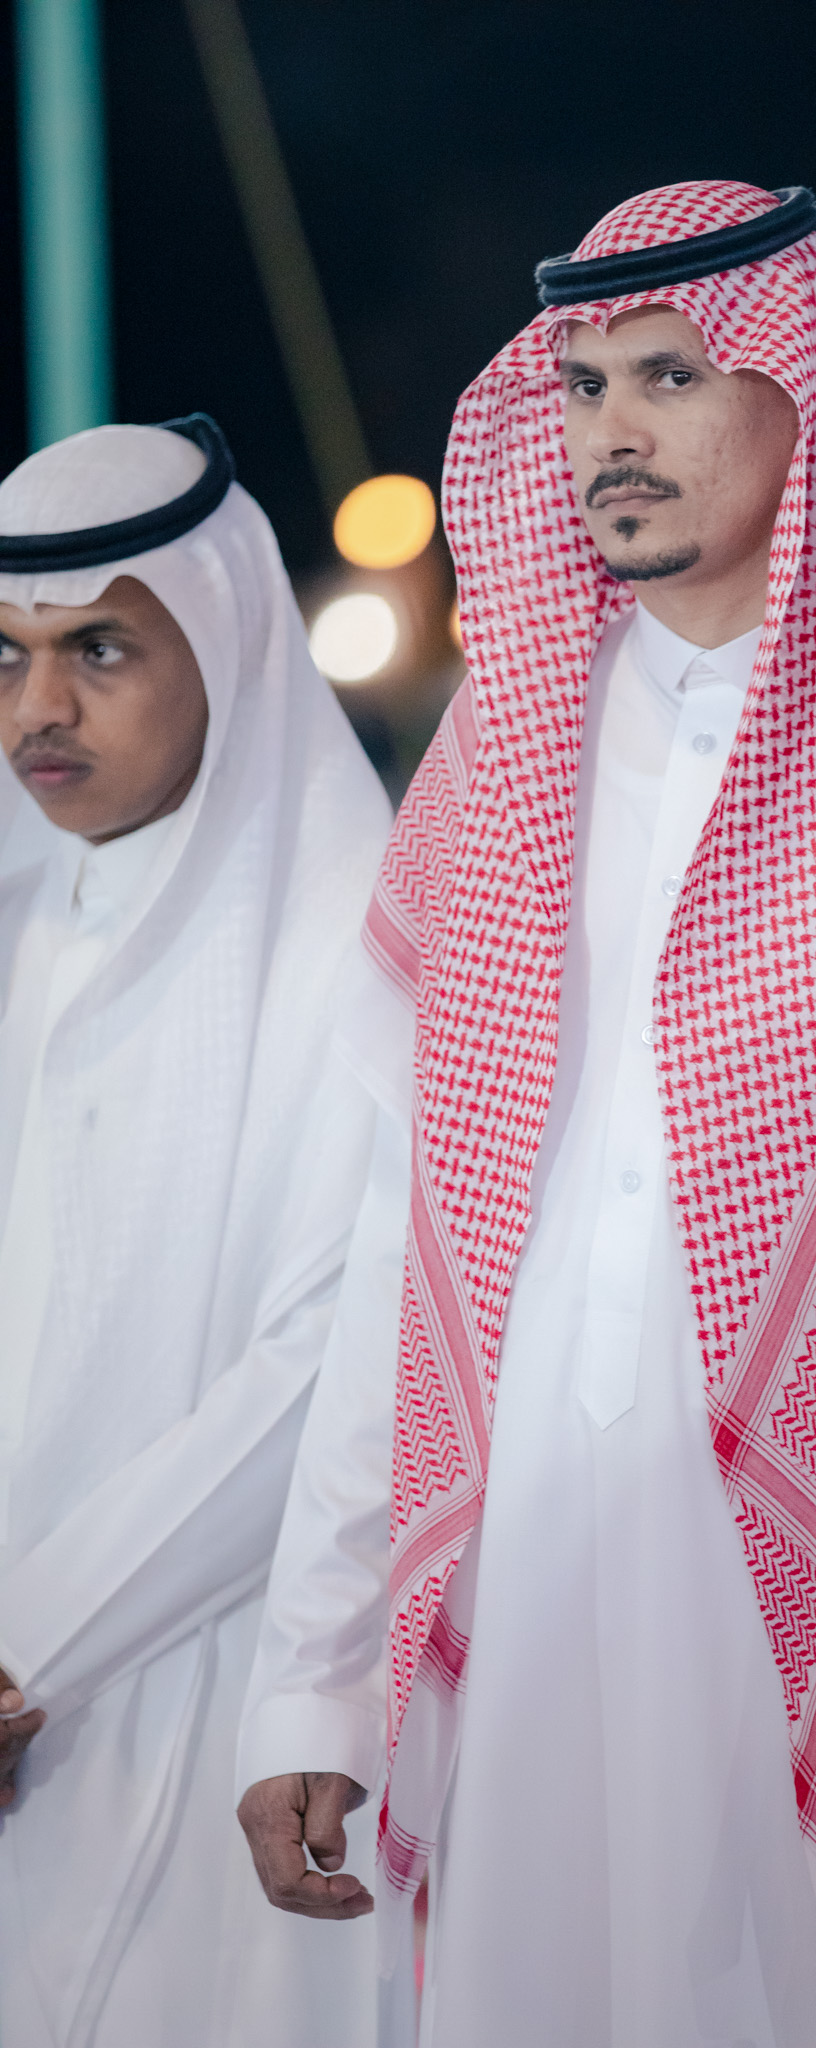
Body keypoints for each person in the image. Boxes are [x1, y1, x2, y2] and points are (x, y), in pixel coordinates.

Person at [235, 181, 816, 2048]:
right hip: (523, 1572)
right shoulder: (503, 748)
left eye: (670, 375)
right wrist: (314, 1676)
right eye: (580, 387)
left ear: (809, 396)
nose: (612, 433)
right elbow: (410, 1253)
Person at [0, 418, 397, 2047]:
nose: (38, 707)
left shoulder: (356, 941)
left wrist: (36, 1643)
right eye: (7, 655)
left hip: (236, 1677)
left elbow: (329, 1370)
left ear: (225, 648)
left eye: (99, 649)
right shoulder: (31, 921)